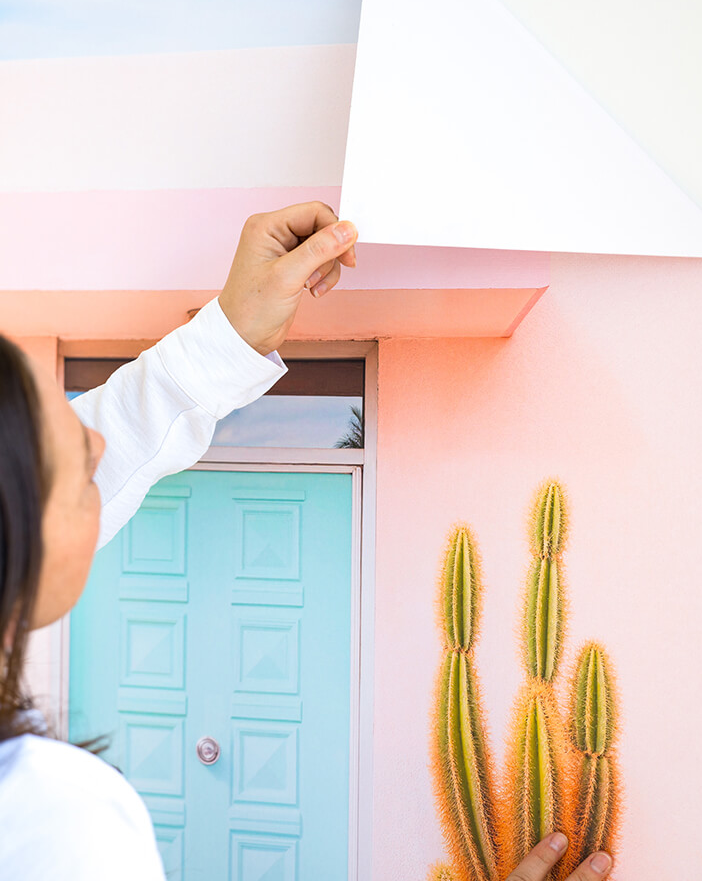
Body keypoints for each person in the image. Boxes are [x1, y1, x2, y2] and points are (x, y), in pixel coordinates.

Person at [0, 202, 612, 880]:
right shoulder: (49, 824)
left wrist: (229, 330)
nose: (94, 440)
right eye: (64, 453)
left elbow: (124, 431)